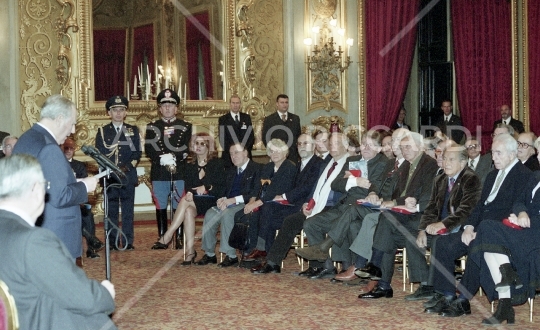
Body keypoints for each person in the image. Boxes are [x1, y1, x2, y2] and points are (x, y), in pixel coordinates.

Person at [0, 154, 117, 330]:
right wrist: (106, 293)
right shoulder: (33, 241)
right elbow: (85, 298)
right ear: (35, 189)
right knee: (94, 319)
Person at [423, 133, 534, 317]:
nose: (494, 157)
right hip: (479, 228)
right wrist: (469, 227)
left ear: (512, 154)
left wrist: (482, 230)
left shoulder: (524, 176)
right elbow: (479, 206)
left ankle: (463, 300)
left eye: (498, 153)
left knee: (477, 247)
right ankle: (448, 295)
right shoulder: (492, 175)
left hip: (499, 233)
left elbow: (514, 210)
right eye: (492, 153)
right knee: (442, 243)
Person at [12, 94, 98, 260]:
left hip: (33, 231)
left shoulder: (27, 138)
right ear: (59, 119)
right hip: (56, 236)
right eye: (72, 123)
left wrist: (72, 182)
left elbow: (43, 184)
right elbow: (60, 197)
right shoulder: (49, 147)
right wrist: (85, 186)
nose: (73, 130)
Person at [294, 131, 392, 275]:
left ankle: (328, 250)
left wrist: (361, 184)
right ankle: (327, 265)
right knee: (311, 224)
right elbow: (336, 184)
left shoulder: (383, 163)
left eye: (370, 146)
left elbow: (376, 185)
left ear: (378, 149)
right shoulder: (353, 160)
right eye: (364, 144)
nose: (365, 148)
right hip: (344, 205)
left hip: (364, 207)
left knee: (351, 221)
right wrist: (354, 180)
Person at [251, 132, 349, 274]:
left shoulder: (342, 162)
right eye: (299, 144)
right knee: (283, 219)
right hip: (313, 205)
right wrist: (310, 202)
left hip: (334, 207)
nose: (332, 146)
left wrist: (302, 201)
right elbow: (316, 188)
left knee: (288, 218)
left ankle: (322, 266)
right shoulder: (324, 164)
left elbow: (309, 187)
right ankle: (273, 262)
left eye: (336, 143)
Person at [357, 132, 439, 299]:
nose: (404, 150)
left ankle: (377, 270)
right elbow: (402, 193)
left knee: (387, 224)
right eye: (402, 148)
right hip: (407, 212)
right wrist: (393, 202)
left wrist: (397, 203)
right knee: (387, 232)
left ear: (419, 147)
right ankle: (384, 284)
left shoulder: (429, 164)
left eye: (408, 147)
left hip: (423, 214)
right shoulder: (407, 165)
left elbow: (426, 195)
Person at [468, 137, 540, 325]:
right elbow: (520, 201)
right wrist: (522, 212)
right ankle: (506, 291)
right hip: (524, 229)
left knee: (487, 232)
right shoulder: (536, 176)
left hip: (535, 233)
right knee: (487, 230)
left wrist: (529, 219)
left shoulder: (525, 174)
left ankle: (505, 299)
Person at [403, 142, 481, 302]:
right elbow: (431, 207)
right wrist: (423, 229)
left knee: (439, 242)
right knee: (412, 237)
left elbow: (466, 210)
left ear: (463, 162)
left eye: (451, 160)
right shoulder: (440, 179)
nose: (446, 163)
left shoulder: (471, 179)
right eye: (444, 159)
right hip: (439, 229)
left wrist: (443, 224)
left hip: (461, 229)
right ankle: (426, 285)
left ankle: (443, 293)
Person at [243, 134, 322, 263]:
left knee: (267, 212)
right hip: (288, 203)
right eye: (299, 144)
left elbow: (305, 188)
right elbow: (260, 186)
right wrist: (254, 200)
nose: (302, 146)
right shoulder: (298, 164)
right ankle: (267, 256)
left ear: (313, 146)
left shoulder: (314, 164)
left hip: (302, 206)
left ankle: (266, 253)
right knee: (266, 216)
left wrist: (283, 197)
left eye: (305, 143)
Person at [151, 133, 226, 265]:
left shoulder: (217, 163)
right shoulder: (189, 165)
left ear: (209, 147)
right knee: (187, 211)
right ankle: (190, 251)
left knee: (186, 201)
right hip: (196, 201)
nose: (198, 146)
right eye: (196, 143)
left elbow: (221, 186)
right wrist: (191, 192)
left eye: (202, 144)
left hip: (213, 200)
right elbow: (189, 186)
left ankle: (168, 235)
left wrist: (207, 187)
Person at [196, 143, 262, 267]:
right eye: (231, 154)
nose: (233, 156)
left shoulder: (257, 169)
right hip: (229, 203)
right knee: (210, 213)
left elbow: (255, 192)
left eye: (236, 153)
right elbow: (225, 191)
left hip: (247, 204)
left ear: (245, 153)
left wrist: (232, 200)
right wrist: (222, 199)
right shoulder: (231, 171)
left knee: (227, 214)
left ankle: (231, 255)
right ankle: (209, 254)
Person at [146, 89, 192, 249]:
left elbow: (187, 146)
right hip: (159, 172)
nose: (167, 108)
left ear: (176, 108)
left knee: (178, 203)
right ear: (159, 108)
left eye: (171, 105)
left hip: (178, 171)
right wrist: (161, 157)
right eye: (164, 105)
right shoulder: (152, 127)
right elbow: (149, 148)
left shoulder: (186, 126)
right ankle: (162, 237)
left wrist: (173, 157)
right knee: (160, 205)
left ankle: (178, 237)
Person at [95, 95, 142, 250]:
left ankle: (128, 242)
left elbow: (137, 154)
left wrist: (126, 167)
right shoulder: (102, 132)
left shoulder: (132, 130)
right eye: (115, 110)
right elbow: (100, 154)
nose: (118, 113)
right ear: (109, 113)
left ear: (125, 112)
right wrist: (112, 169)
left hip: (127, 176)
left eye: (121, 110)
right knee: (112, 211)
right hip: (110, 177)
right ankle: (112, 242)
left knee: (128, 212)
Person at [239, 138, 297, 258]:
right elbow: (257, 187)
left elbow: (277, 190)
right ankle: (250, 247)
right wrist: (251, 201)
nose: (274, 154)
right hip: (266, 203)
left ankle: (262, 249)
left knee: (265, 210)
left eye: (277, 151)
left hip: (285, 205)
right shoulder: (268, 167)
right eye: (271, 151)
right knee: (246, 214)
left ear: (285, 153)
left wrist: (257, 204)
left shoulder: (289, 167)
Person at [63, 137, 105, 259]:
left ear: (74, 149)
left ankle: (91, 249)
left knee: (88, 216)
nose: (68, 151)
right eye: (66, 148)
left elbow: (84, 187)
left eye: (71, 148)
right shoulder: (58, 164)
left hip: (78, 201)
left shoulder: (79, 165)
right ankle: (90, 239)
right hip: (64, 201)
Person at [261, 94, 301, 163]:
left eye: (286, 102)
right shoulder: (269, 119)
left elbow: (298, 136)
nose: (284, 105)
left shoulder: (295, 118)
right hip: (277, 156)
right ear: (277, 104)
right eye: (282, 102)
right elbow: (265, 138)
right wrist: (273, 151)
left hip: (292, 156)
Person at [218, 95, 254, 167]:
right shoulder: (223, 119)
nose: (235, 105)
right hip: (229, 157)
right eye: (233, 103)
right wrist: (234, 151)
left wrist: (243, 150)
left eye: (237, 103)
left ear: (240, 104)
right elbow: (223, 139)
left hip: (245, 155)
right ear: (230, 104)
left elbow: (251, 136)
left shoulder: (246, 118)